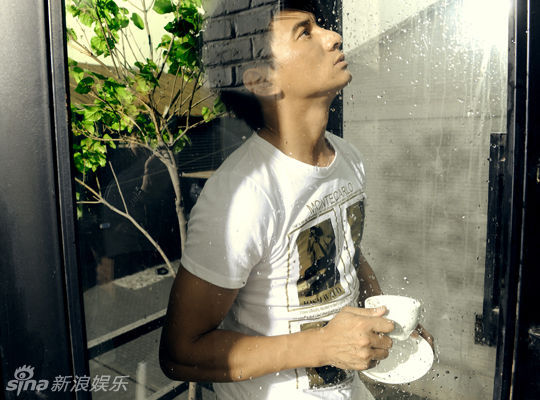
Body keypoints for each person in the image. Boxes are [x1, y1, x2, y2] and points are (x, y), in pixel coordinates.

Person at [160, 1, 432, 398]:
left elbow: (347, 253)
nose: (333, 37)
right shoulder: (240, 195)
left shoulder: (348, 158)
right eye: (305, 32)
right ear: (261, 80)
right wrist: (324, 345)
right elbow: (180, 353)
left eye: (320, 26)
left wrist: (384, 318)